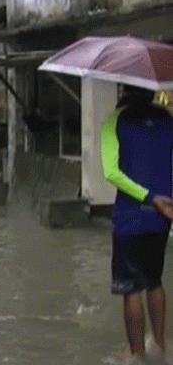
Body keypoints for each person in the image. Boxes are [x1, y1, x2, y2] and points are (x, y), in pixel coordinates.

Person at [101, 85, 173, 364]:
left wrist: (149, 196)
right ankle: (160, 346)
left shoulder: (114, 120)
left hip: (131, 215)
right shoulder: (168, 119)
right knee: (154, 281)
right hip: (162, 216)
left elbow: (111, 172)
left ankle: (136, 356)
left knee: (130, 288)